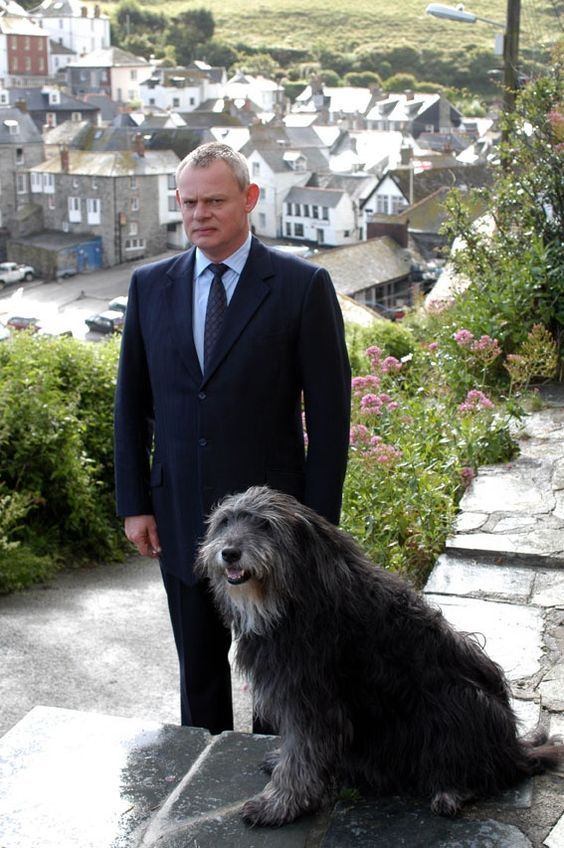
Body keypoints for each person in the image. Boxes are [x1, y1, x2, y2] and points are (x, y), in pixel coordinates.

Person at [114, 141, 351, 735]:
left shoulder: (302, 287)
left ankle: (277, 783)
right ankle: (202, 781)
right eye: (189, 202)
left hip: (274, 534)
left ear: (249, 199)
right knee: (197, 673)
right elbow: (132, 405)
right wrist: (135, 504)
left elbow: (329, 420)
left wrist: (316, 530)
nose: (199, 214)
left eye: (214, 200)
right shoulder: (149, 286)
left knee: (277, 673)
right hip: (179, 515)